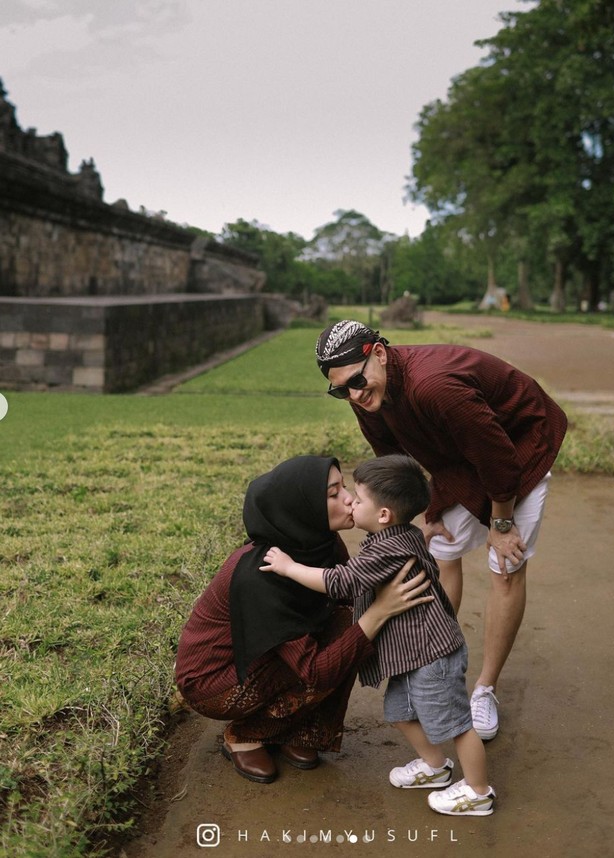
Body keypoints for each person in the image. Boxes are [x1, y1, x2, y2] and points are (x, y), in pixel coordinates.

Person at [315, 320, 568, 741]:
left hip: (519, 444)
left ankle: (484, 689)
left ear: (378, 352)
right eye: (342, 390)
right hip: (459, 455)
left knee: (505, 565)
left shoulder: (434, 386)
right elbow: (395, 464)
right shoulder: (368, 397)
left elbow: (496, 456)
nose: (355, 395)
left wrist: (501, 524)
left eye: (357, 381)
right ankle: (435, 666)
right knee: (441, 550)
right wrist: (426, 508)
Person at [175, 455, 432, 785]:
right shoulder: (263, 573)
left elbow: (348, 598)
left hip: (263, 658)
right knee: (355, 634)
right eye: (333, 493)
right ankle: (247, 733)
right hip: (214, 682)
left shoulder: (321, 544)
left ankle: (303, 733)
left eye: (345, 488)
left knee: (350, 627)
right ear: (303, 505)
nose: (349, 498)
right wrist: (380, 611)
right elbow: (316, 671)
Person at [262, 454, 496, 816]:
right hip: (411, 655)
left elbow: (340, 582)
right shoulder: (397, 534)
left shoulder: (388, 548)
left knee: (457, 724)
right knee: (401, 712)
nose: (350, 502)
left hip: (432, 656)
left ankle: (479, 791)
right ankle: (436, 767)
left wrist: (289, 567)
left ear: (384, 514)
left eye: (357, 497)